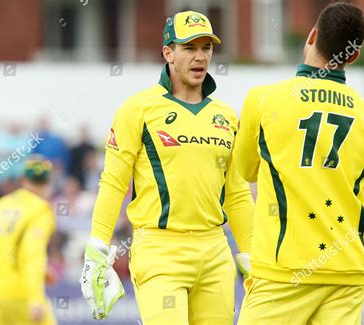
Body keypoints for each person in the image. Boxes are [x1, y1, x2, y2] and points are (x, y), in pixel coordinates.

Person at [80, 10, 254, 324]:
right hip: (159, 251)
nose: (200, 57)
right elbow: (114, 182)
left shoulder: (227, 116)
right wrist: (97, 248)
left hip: (216, 251)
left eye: (206, 48)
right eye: (189, 48)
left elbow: (238, 193)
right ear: (168, 53)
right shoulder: (138, 108)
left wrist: (253, 254)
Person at [235, 2, 364, 324]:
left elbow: (245, 170)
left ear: (312, 35)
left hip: (283, 269)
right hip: (348, 270)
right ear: (354, 56)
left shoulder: (263, 98)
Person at [0, 155, 57, 325]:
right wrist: (36, 298)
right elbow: (32, 254)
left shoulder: (0, 205)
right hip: (20, 293)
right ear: (48, 183)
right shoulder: (41, 210)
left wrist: (43, 271)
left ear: (23, 180)